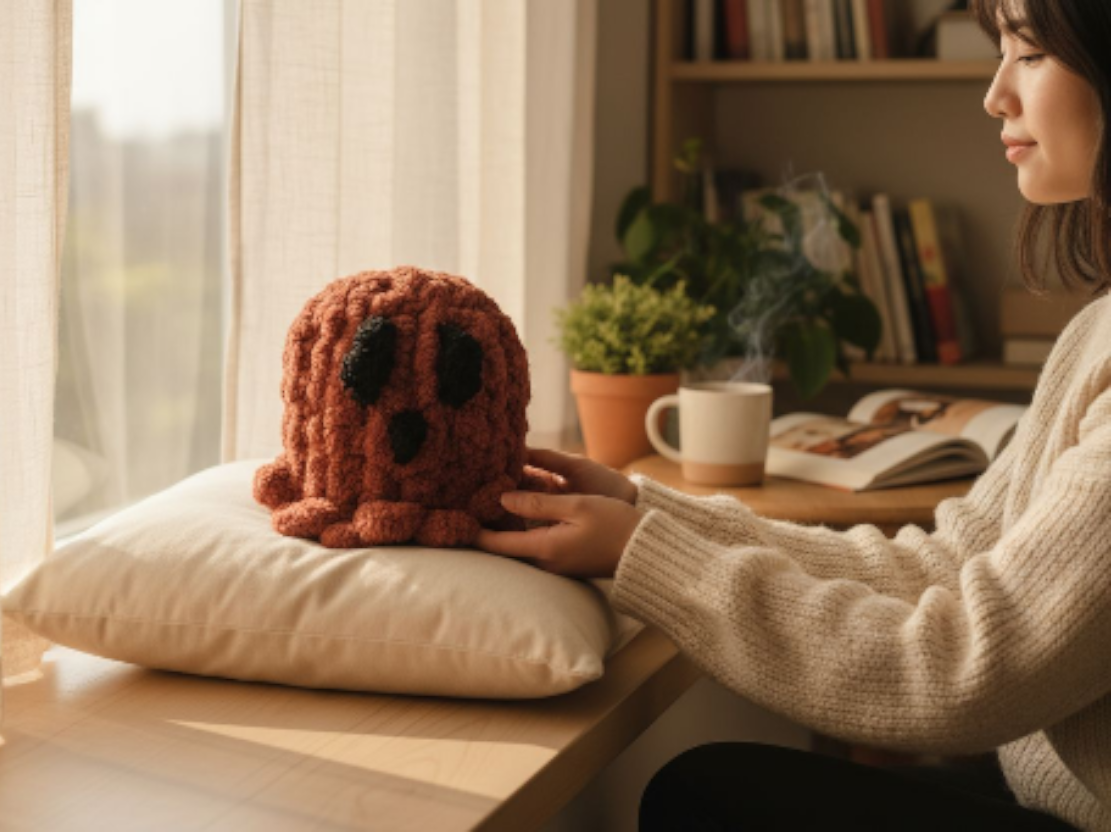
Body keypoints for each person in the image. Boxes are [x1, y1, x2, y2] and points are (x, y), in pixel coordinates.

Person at [474, 0, 1111, 828]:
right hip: (1051, 795)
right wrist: (645, 509)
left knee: (706, 796)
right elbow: (951, 566)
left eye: (1029, 53)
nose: (994, 95)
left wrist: (646, 556)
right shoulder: (1096, 328)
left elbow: (959, 671)